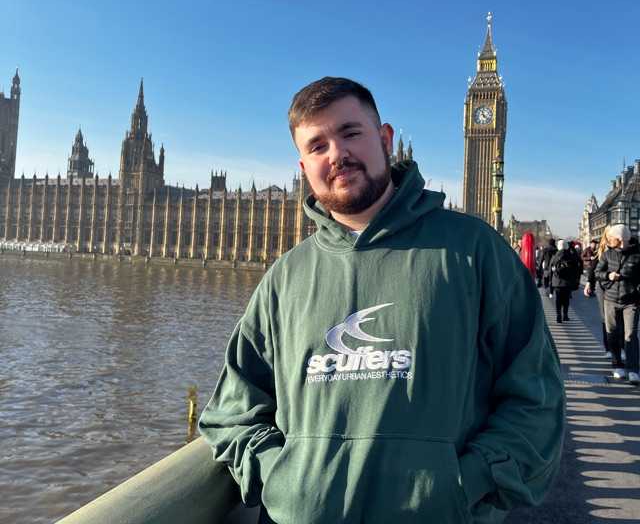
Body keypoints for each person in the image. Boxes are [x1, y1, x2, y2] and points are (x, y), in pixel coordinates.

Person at [198, 77, 565, 523]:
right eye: (318, 146)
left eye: (350, 133)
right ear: (303, 167)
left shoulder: (474, 253)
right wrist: (284, 482)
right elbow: (231, 412)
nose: (337, 154)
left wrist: (462, 486)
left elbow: (537, 399)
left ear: (386, 140)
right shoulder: (285, 276)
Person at [595, 224, 640, 383]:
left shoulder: (637, 255)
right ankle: (617, 365)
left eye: (613, 239)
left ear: (623, 239)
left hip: (631, 301)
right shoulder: (607, 254)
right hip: (611, 299)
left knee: (630, 334)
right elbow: (598, 272)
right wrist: (608, 276)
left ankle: (633, 369)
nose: (620, 244)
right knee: (612, 333)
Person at [550, 239, 581, 323]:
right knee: (566, 299)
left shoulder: (555, 256)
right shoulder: (571, 256)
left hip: (557, 281)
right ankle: (565, 315)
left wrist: (550, 283)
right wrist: (575, 280)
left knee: (558, 300)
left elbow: (551, 270)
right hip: (567, 282)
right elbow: (576, 269)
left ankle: (558, 315)